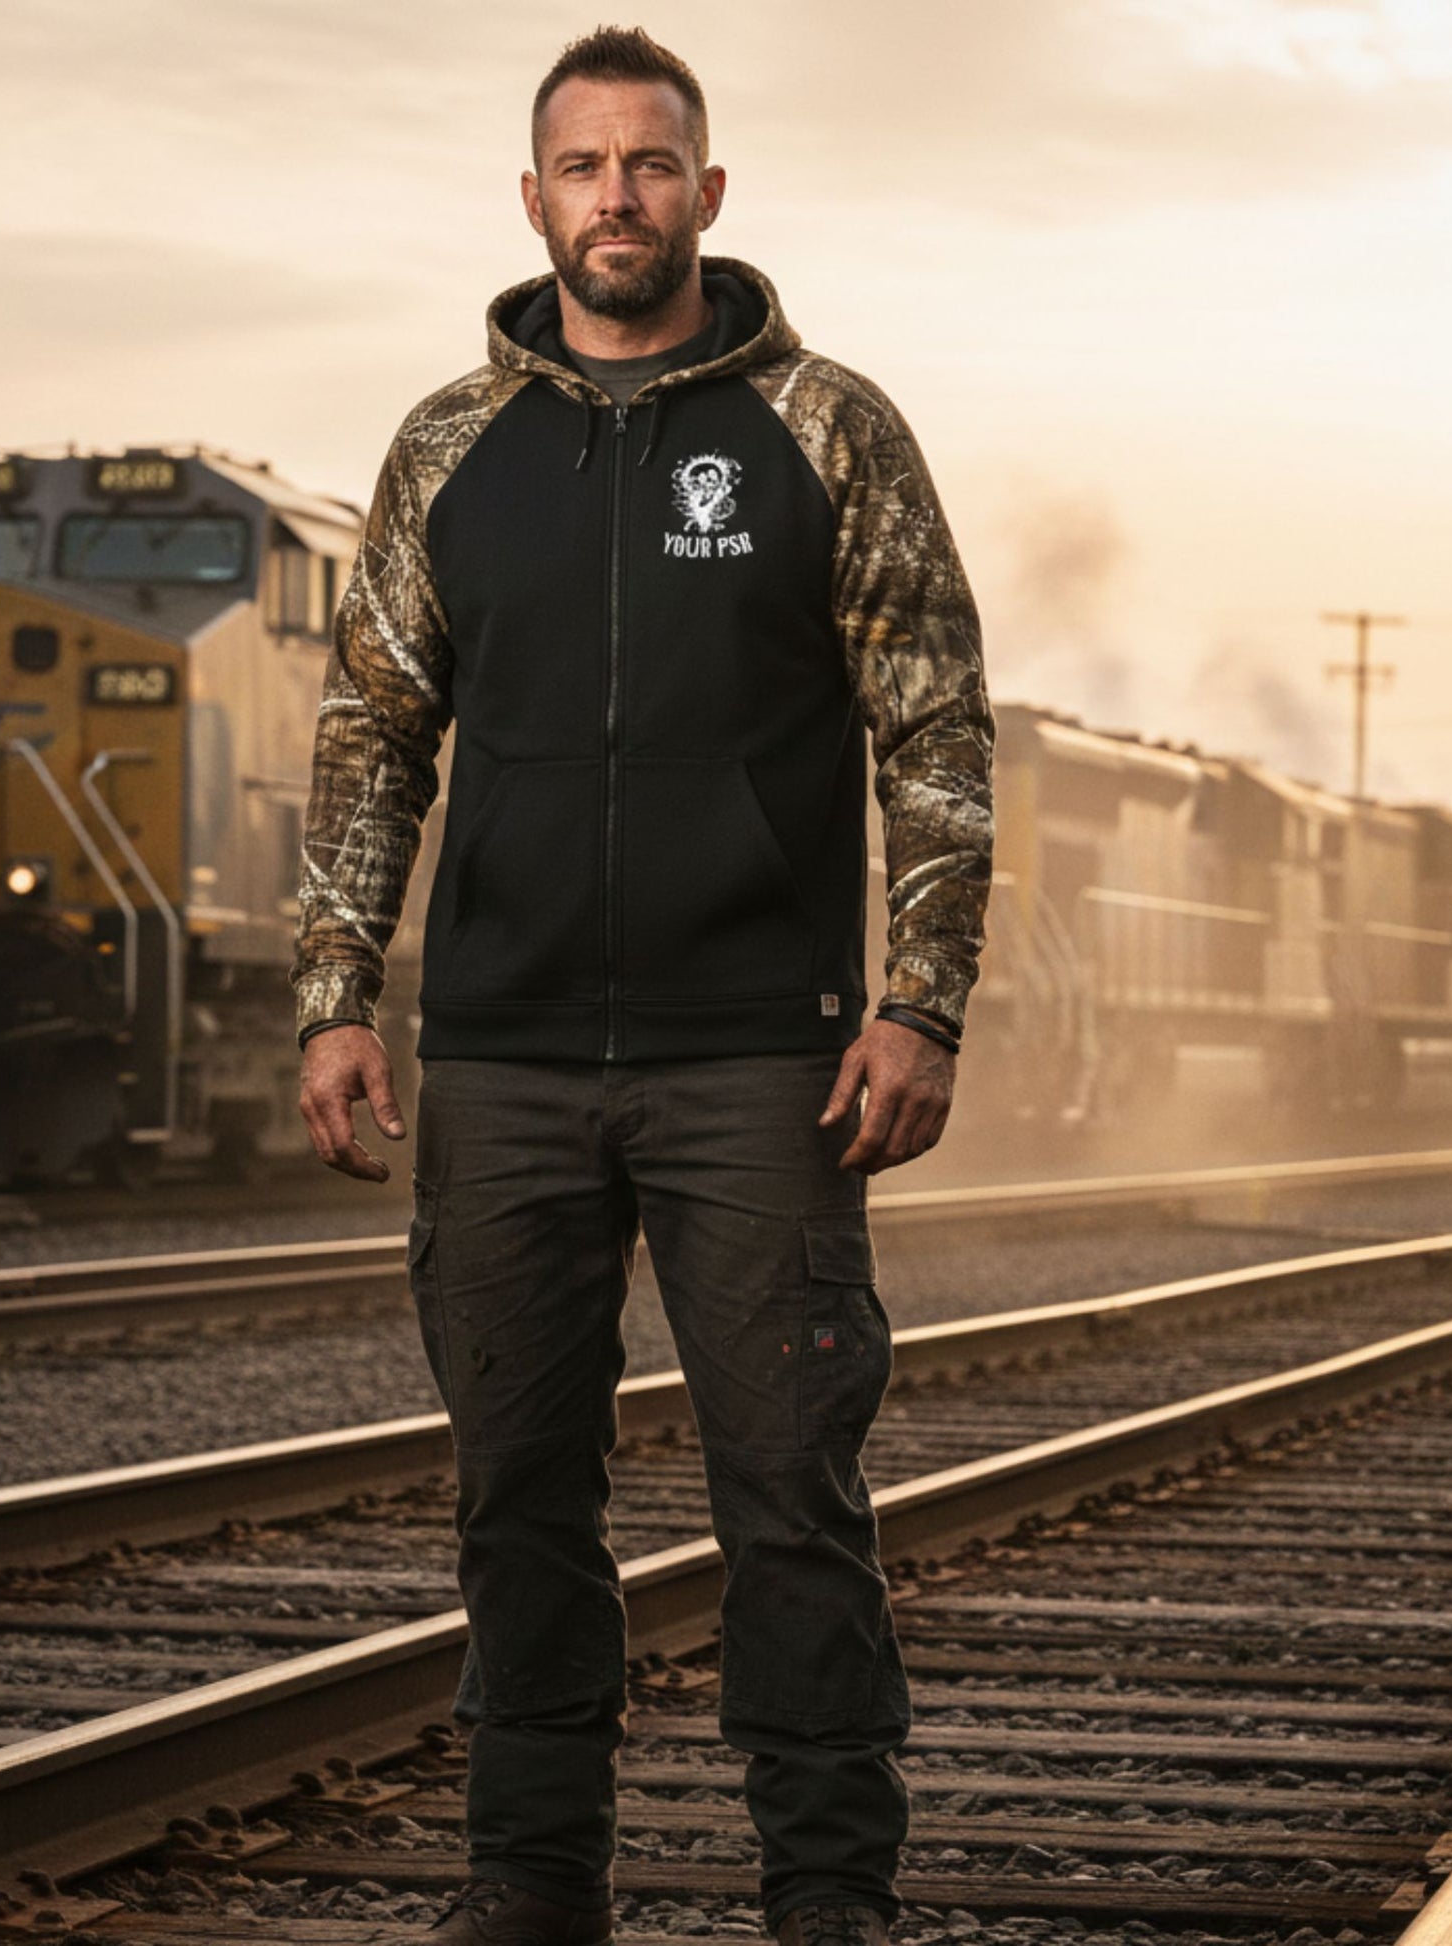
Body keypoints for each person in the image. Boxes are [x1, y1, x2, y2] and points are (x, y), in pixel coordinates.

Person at [293, 26, 992, 1946]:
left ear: (707, 190)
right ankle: (532, 1882)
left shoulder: (828, 428)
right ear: (534, 199)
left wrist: (919, 998)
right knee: (516, 1489)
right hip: (502, 1060)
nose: (620, 196)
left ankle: (828, 1893)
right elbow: (371, 735)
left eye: (652, 163)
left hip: (762, 1063)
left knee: (786, 1489)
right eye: (586, 167)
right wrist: (334, 994)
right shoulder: (448, 447)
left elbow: (935, 729)